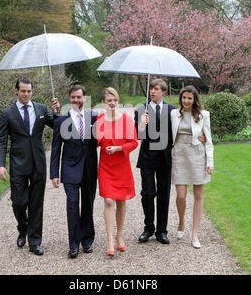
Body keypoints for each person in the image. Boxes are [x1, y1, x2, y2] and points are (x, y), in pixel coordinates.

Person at [0, 77, 59, 256]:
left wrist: (56, 112)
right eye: (23, 91)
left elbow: (57, 126)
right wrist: (0, 164)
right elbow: (1, 141)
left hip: (38, 163)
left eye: (29, 91)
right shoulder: (7, 113)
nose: (26, 94)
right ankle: (22, 227)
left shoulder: (41, 109)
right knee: (19, 202)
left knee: (36, 204)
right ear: (16, 91)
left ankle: (35, 241)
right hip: (18, 164)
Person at [50, 85, 98, 259]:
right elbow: (55, 149)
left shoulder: (94, 117)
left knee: (87, 205)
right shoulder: (61, 120)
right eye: (73, 97)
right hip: (70, 168)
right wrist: (54, 173)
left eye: (79, 97)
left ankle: (86, 240)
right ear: (69, 98)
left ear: (84, 98)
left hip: (90, 169)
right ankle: (73, 244)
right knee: (72, 205)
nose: (76, 100)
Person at [170, 85, 213, 249]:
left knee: (198, 194)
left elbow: (208, 140)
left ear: (194, 100)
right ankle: (181, 220)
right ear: (180, 99)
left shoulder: (203, 115)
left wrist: (210, 162)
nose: (186, 101)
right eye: (184, 97)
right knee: (180, 195)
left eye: (189, 98)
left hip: (197, 155)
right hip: (179, 154)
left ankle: (194, 233)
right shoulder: (174, 114)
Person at [96, 87, 138, 256]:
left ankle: (119, 236)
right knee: (108, 201)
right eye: (109, 100)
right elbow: (95, 143)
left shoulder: (127, 120)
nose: (112, 103)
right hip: (106, 165)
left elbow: (134, 142)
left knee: (121, 201)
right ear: (103, 103)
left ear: (118, 101)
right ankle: (109, 240)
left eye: (114, 100)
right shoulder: (99, 120)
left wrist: (119, 148)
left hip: (122, 165)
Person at [134, 79, 176, 244]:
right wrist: (142, 125)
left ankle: (161, 230)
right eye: (151, 88)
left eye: (156, 89)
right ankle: (148, 228)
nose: (152, 91)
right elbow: (138, 136)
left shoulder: (171, 110)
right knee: (148, 194)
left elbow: (176, 134)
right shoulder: (141, 110)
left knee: (164, 195)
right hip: (147, 158)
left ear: (163, 92)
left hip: (165, 159)